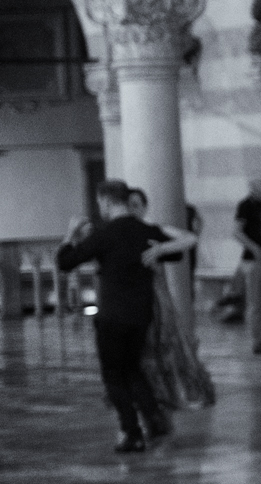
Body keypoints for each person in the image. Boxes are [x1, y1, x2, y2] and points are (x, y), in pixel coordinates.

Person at [58, 180, 197, 452]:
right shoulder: (145, 230)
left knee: (113, 374)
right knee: (132, 369)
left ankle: (131, 431)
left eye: (100, 203)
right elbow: (186, 242)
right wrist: (161, 249)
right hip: (140, 315)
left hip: (112, 316)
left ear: (107, 201)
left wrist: (70, 235)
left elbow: (65, 262)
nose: (100, 209)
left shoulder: (104, 234)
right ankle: (154, 420)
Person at [124, 188, 216, 415]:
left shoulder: (152, 231)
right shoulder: (121, 234)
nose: (133, 209)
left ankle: (175, 394)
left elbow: (189, 238)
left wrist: (162, 247)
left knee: (166, 345)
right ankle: (147, 395)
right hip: (130, 301)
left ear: (145, 208)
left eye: (137, 205)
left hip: (157, 299)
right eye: (129, 205)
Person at [233, 173, 261, 354]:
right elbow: (237, 232)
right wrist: (254, 248)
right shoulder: (245, 206)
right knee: (256, 303)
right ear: (252, 186)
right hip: (254, 260)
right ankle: (257, 340)